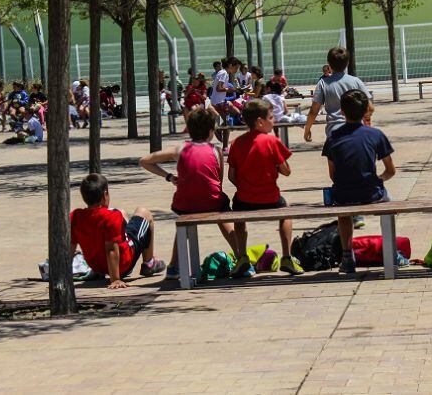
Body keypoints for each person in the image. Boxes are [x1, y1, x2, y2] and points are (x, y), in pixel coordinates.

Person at [139, 108, 237, 280]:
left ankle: (174, 266)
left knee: (184, 221)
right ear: (210, 131)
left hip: (185, 204)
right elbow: (218, 182)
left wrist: (169, 176)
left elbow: (145, 161)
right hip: (212, 202)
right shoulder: (217, 151)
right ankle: (241, 256)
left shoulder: (180, 149)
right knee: (223, 216)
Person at [227, 99, 304, 277]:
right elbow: (286, 171)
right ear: (260, 122)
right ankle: (286, 256)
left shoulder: (236, 143)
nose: (274, 120)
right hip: (271, 198)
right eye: (271, 117)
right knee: (286, 212)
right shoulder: (271, 141)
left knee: (238, 214)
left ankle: (243, 256)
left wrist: (246, 186)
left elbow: (231, 175)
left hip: (245, 198)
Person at [322, 89, 396, 273]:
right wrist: (379, 179)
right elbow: (391, 170)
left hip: (343, 194)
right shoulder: (376, 134)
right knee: (388, 203)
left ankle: (347, 255)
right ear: (366, 112)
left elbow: (333, 174)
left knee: (343, 210)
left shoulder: (332, 138)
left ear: (342, 112)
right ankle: (391, 251)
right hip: (371, 193)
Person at [70, 173, 166, 289]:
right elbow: (111, 249)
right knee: (144, 213)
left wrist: (63, 275)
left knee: (122, 213)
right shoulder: (111, 217)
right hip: (123, 265)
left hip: (97, 266)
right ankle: (149, 263)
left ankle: (145, 262)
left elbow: (71, 247)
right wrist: (115, 279)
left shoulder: (75, 216)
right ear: (105, 195)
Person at [304, 46, 372, 142]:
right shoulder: (356, 81)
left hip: (334, 133)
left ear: (329, 65)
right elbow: (369, 107)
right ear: (347, 63)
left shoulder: (323, 83)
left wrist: (307, 129)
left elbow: (314, 111)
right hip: (356, 131)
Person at [210, 57, 241, 121]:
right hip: (218, 102)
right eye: (236, 68)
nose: (236, 70)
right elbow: (218, 88)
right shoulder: (224, 73)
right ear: (230, 66)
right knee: (223, 124)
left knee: (223, 124)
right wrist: (232, 90)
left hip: (218, 101)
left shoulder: (222, 72)